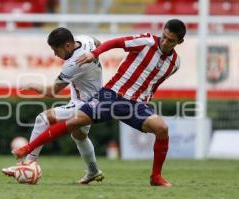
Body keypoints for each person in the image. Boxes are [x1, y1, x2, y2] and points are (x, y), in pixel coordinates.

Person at [13, 19, 186, 187]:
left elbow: (153, 82)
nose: (164, 42)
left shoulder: (175, 64)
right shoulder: (146, 41)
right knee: (75, 125)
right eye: (163, 36)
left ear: (180, 41)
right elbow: (114, 42)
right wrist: (95, 54)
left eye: (170, 40)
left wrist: (147, 97)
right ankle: (28, 149)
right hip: (111, 95)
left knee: (162, 129)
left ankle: (156, 177)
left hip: (135, 105)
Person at [2, 27, 105, 184]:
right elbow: (98, 43)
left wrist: (32, 85)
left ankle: (27, 164)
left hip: (86, 104)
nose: (55, 54)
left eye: (56, 50)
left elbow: (52, 92)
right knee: (79, 136)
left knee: (43, 118)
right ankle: (93, 171)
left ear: (68, 46)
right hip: (94, 100)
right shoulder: (85, 39)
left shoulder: (74, 64)